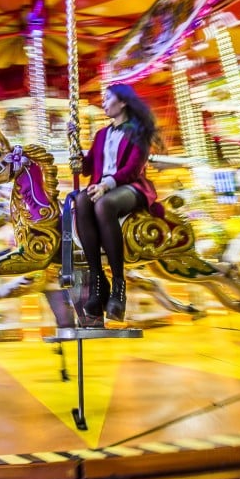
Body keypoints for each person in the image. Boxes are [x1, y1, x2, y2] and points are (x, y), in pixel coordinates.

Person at [72, 83, 162, 324]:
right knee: (81, 200)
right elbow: (89, 168)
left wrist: (106, 185)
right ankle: (97, 279)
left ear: (122, 102)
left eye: (108, 98)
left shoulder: (138, 131)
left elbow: (133, 169)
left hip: (130, 187)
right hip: (102, 187)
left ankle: (119, 285)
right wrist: (76, 151)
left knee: (104, 205)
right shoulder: (102, 134)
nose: (103, 102)